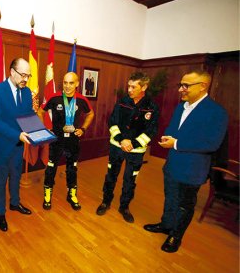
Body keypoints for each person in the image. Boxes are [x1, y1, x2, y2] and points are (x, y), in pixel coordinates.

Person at [143, 70, 228, 253]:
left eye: (186, 86)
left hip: (192, 169)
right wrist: (168, 137)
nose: (181, 89)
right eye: (180, 85)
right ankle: (166, 225)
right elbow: (174, 129)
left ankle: (176, 236)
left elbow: (211, 143)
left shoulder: (217, 112)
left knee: (184, 206)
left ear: (203, 86)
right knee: (171, 198)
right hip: (173, 164)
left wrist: (177, 143)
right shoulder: (181, 106)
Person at [96, 72, 159, 223]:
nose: (129, 90)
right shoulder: (122, 102)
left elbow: (151, 130)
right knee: (111, 175)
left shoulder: (152, 107)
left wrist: (133, 144)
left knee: (130, 180)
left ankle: (124, 207)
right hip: (117, 147)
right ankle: (106, 201)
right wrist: (121, 140)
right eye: (128, 86)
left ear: (144, 87)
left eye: (133, 87)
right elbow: (112, 122)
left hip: (136, 152)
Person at [0, 58, 34, 232]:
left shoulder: (27, 92)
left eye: (28, 76)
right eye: (23, 75)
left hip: (18, 145)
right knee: (0, 181)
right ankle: (0, 213)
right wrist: (17, 134)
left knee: (16, 176)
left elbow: (28, 115)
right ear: (12, 72)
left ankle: (15, 203)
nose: (26, 79)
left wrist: (37, 131)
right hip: (0, 145)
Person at [37, 72, 94, 210]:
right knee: (51, 168)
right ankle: (47, 195)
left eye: (71, 83)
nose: (67, 86)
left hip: (73, 140)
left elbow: (91, 114)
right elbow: (40, 112)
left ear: (77, 84)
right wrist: (44, 129)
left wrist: (83, 129)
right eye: (65, 82)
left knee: (72, 168)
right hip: (56, 140)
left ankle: (72, 194)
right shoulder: (54, 97)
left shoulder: (81, 99)